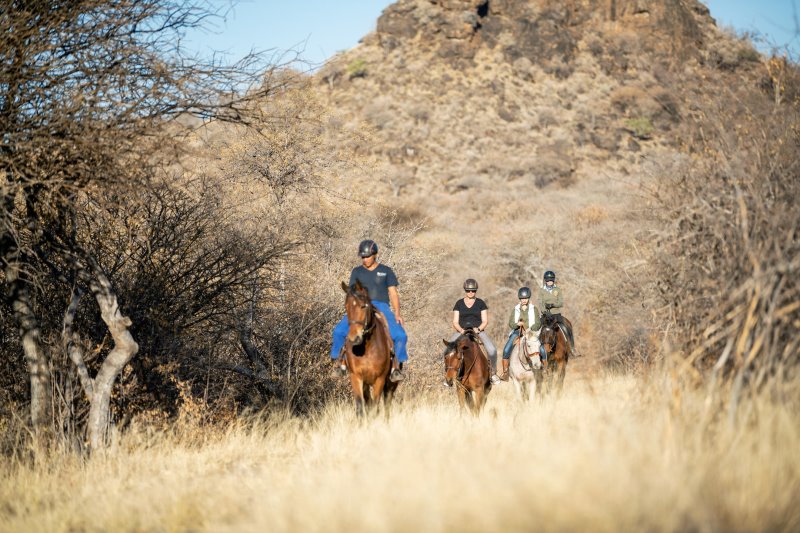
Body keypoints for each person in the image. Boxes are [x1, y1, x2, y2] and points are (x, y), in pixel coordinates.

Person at [330, 239, 408, 382]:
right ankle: (339, 363)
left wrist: (397, 313)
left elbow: (393, 293)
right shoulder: (357, 271)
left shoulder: (386, 271)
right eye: (363, 257)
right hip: (360, 306)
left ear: (375, 254)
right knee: (339, 331)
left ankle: (396, 367)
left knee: (400, 335)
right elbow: (353, 293)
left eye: (367, 256)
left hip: (381, 306)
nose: (365, 259)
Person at [449, 278, 500, 384]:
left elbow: (485, 320)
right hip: (461, 331)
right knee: (448, 350)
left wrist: (479, 329)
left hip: (478, 331)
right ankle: (448, 376)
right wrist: (461, 330)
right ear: (465, 290)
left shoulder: (481, 303)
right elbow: (455, 322)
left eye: (473, 290)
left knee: (492, 350)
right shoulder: (458, 303)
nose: (471, 292)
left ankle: (493, 373)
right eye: (468, 290)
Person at [498, 286, 547, 381]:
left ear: (529, 298)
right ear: (520, 299)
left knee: (541, 348)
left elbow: (538, 323)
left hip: (531, 333)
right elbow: (511, 323)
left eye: (525, 298)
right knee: (506, 349)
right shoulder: (515, 309)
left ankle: (544, 370)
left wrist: (530, 328)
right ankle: (505, 372)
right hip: (518, 332)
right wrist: (517, 324)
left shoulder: (534, 309)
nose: (524, 300)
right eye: (522, 298)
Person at [538, 270, 578, 356]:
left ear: (553, 280)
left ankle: (572, 348)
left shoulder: (558, 290)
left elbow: (561, 302)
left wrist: (553, 305)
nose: (549, 282)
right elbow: (540, 303)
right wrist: (544, 311)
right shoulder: (541, 290)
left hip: (556, 314)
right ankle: (536, 350)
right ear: (545, 281)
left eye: (551, 280)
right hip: (545, 315)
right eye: (548, 280)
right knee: (537, 327)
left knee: (567, 326)